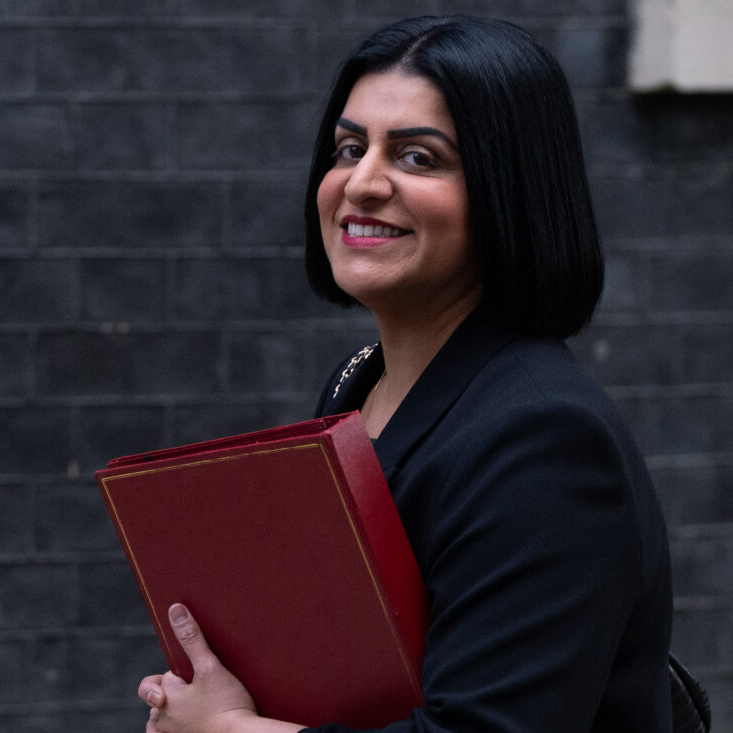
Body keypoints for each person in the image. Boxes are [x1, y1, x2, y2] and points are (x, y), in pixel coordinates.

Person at [137, 15, 673, 733]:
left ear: (508, 191)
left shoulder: (546, 441)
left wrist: (227, 729)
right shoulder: (358, 384)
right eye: (348, 147)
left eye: (418, 158)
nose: (361, 182)